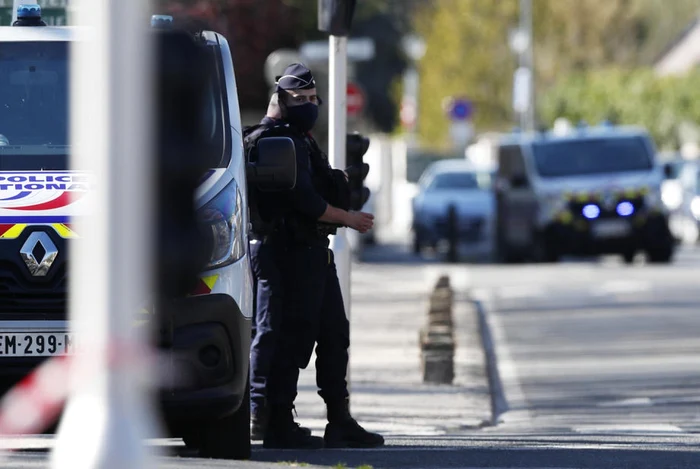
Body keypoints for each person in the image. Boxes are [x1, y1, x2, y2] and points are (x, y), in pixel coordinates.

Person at [258, 63, 384, 449]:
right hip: (287, 254)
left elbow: (318, 187)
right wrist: (349, 217)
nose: (310, 106)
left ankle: (339, 420)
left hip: (314, 253)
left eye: (314, 99)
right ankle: (275, 419)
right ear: (280, 100)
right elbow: (306, 201)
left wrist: (343, 182)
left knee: (334, 335)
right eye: (302, 99)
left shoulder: (300, 138)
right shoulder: (272, 140)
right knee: (290, 337)